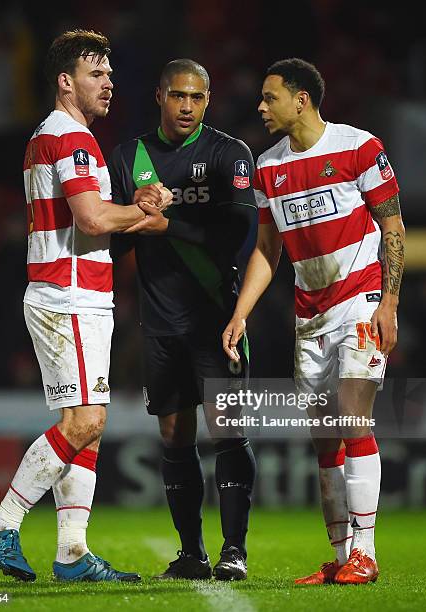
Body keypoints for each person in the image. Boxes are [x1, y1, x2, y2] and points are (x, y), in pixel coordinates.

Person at [0, 29, 170, 583]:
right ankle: (2, 526)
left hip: (67, 293)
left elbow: (88, 217)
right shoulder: (74, 139)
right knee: (87, 421)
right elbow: (92, 219)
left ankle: (73, 553)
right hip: (71, 296)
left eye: (109, 73)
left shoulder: (46, 136)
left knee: (84, 426)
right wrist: (140, 211)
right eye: (96, 74)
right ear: (66, 81)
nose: (109, 83)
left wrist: (133, 211)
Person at [223, 58, 405, 585]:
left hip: (361, 301)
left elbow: (392, 226)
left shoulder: (358, 147)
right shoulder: (267, 167)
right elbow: (266, 249)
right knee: (324, 436)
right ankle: (341, 553)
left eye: (269, 96)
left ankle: (365, 555)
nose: (260, 106)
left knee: (353, 418)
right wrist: (242, 313)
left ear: (301, 99)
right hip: (310, 313)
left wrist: (389, 303)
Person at [109, 59, 257, 581]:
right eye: (177, 96)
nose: (187, 106)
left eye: (196, 97)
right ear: (159, 96)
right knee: (174, 434)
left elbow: (236, 231)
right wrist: (135, 212)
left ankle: (233, 550)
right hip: (161, 320)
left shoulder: (228, 153)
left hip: (217, 317)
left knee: (228, 432)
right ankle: (191, 552)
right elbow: (111, 238)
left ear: (208, 99)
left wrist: (166, 221)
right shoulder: (129, 158)